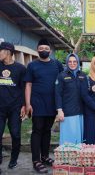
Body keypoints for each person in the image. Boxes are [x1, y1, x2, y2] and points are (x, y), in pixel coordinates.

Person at [24, 39, 63, 174]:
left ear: (50, 51)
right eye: (41, 48)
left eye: (46, 48)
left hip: (52, 104)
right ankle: (36, 160)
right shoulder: (32, 65)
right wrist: (28, 104)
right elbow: (28, 85)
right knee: (37, 130)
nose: (44, 50)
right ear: (37, 50)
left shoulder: (57, 64)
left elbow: (63, 81)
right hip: (37, 104)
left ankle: (45, 156)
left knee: (47, 131)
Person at [55, 53, 95, 145]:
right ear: (67, 63)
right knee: (68, 140)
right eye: (70, 62)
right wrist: (59, 110)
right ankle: (67, 158)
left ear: (78, 62)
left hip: (81, 113)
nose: (72, 63)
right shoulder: (62, 76)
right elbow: (57, 94)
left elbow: (86, 94)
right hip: (67, 113)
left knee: (78, 139)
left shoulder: (83, 75)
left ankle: (77, 158)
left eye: (75, 61)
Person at [0, 42, 26, 171]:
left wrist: (24, 105)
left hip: (15, 108)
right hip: (0, 108)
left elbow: (24, 88)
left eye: (0, 51)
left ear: (7, 52)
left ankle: (13, 159)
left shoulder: (20, 68)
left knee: (15, 134)